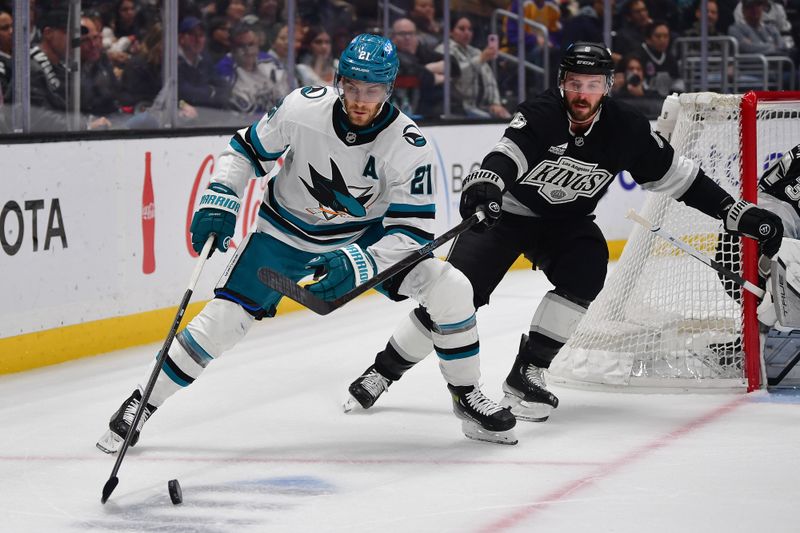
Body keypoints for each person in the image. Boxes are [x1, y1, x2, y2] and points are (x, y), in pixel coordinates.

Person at [96, 34, 517, 452]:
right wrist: (222, 195)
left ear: (389, 89)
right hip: (282, 235)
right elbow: (244, 150)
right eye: (351, 86)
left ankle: (466, 395)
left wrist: (360, 261)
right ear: (338, 79)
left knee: (452, 288)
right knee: (223, 320)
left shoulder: (409, 146)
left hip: (360, 239)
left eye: (371, 90)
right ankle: (143, 402)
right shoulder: (303, 108)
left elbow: (413, 234)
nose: (359, 99)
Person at [344, 41, 784, 423]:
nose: (582, 93)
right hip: (508, 216)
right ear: (561, 82)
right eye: (575, 83)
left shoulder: (626, 128)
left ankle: (528, 371)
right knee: (455, 295)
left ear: (608, 87)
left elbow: (679, 177)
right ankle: (384, 370)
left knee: (588, 269)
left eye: (592, 85)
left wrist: (733, 210)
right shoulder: (541, 113)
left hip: (566, 225)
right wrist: (486, 185)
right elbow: (507, 155)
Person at [436, 14, 511, 119]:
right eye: (462, 29)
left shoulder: (476, 52)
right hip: (460, 107)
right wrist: (480, 59)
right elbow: (458, 75)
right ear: (450, 31)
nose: (467, 33)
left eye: (470, 29)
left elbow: (490, 80)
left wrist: (496, 103)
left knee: (510, 120)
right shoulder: (443, 50)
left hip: (484, 106)